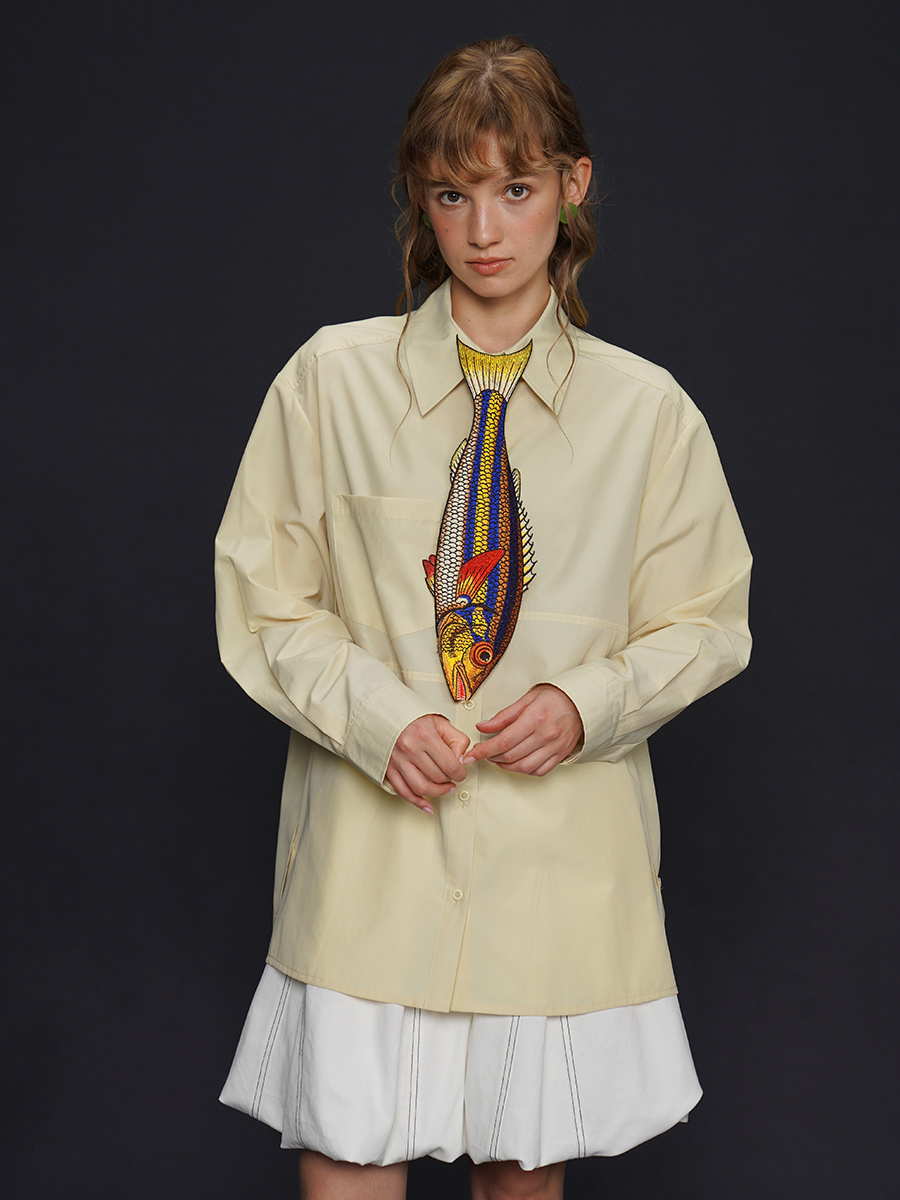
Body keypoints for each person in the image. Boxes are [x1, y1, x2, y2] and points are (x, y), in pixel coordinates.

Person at [215, 36, 751, 1200]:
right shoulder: (330, 384)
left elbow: (709, 620)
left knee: (522, 1181)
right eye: (453, 194)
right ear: (421, 198)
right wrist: (378, 719)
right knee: (347, 1161)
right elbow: (266, 600)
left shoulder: (648, 414)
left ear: (574, 183)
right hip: (370, 867)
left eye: (516, 187)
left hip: (556, 874)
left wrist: (586, 703)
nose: (486, 230)